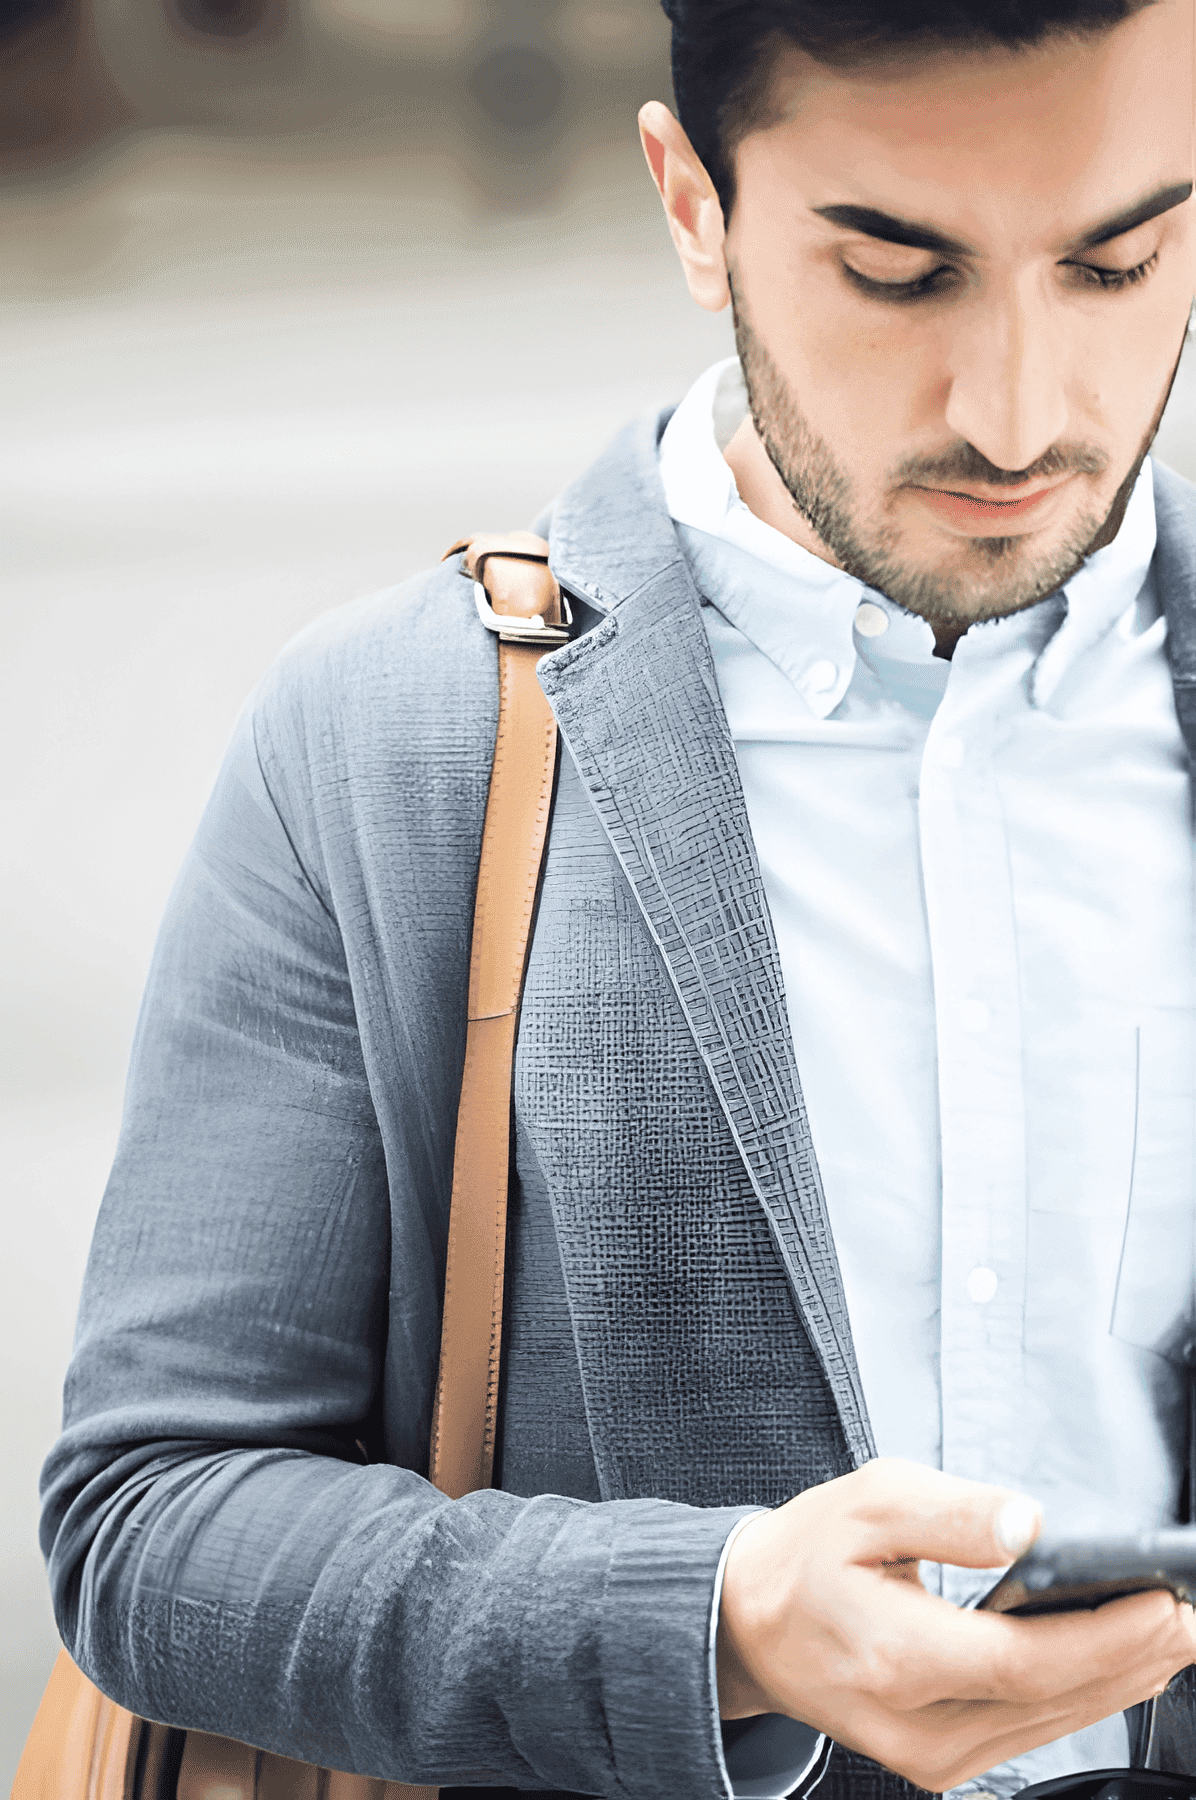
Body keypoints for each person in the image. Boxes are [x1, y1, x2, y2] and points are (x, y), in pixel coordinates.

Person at [38, 3, 1196, 1799]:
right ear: (692, 205)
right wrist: (717, 1621)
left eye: (1118, 263)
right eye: (898, 275)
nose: (1019, 410)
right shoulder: (393, 738)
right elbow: (154, 1522)